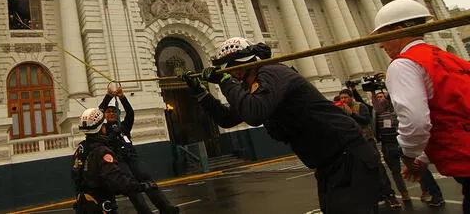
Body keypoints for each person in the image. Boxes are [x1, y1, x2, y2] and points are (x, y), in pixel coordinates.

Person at [180, 37, 382, 214]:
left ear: (240, 68)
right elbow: (227, 119)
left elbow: (253, 114)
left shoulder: (272, 73)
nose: (232, 77)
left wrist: (225, 82)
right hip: (329, 161)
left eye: (231, 71)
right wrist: (201, 93)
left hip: (347, 155)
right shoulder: (252, 88)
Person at [372, 0, 470, 213]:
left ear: (397, 30)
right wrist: (423, 158)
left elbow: (415, 122)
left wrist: (409, 155)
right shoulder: (450, 59)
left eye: (382, 36)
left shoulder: (404, 64)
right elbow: (452, 113)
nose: (380, 44)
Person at [98, 83, 179, 214]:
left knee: (147, 180)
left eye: (114, 111)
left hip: (132, 157)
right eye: (109, 111)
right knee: (131, 186)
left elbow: (130, 113)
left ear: (118, 113)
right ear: (105, 115)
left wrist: (122, 97)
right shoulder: (103, 128)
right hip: (119, 161)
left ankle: (165, 207)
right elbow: (99, 111)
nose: (111, 113)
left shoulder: (124, 126)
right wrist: (108, 96)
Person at [72, 108, 156, 214]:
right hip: (100, 207)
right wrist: (143, 186)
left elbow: (76, 176)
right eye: (103, 125)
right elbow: (117, 182)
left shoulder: (80, 149)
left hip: (83, 206)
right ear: (101, 128)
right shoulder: (102, 152)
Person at [372, 90, 446, 207]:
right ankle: (405, 194)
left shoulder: (397, 106)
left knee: (419, 167)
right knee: (396, 172)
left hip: (404, 141)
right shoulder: (377, 111)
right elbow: (376, 107)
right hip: (388, 144)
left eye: (383, 97)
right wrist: (372, 91)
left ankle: (431, 193)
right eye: (378, 98)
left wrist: (389, 88)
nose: (381, 100)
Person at [338, 89, 401, 209]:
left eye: (345, 97)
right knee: (361, 171)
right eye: (341, 98)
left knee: (378, 168)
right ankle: (376, 196)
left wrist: (352, 114)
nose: (343, 100)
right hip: (354, 144)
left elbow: (365, 121)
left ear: (351, 97)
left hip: (367, 141)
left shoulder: (361, 106)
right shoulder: (342, 111)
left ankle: (390, 194)